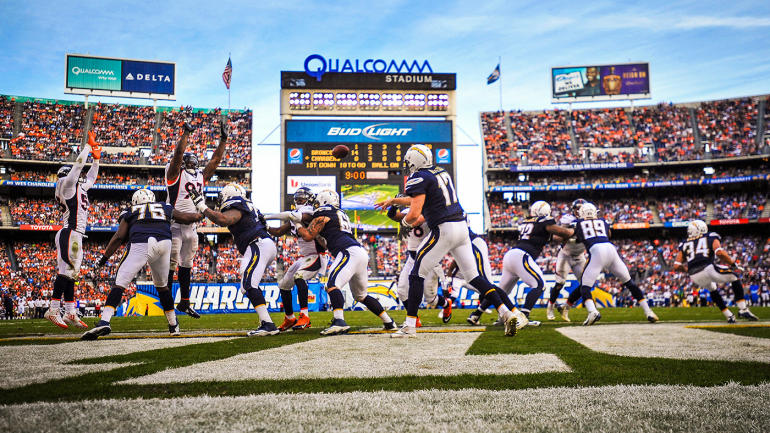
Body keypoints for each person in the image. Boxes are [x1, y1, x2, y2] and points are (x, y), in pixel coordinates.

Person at [375, 144, 526, 338]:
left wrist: (404, 222)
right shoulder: (440, 172)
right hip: (462, 228)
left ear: (414, 160)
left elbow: (414, 213)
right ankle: (506, 313)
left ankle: (410, 326)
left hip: (444, 229)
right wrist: (394, 201)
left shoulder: (418, 177)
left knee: (416, 273)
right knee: (474, 277)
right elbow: (420, 198)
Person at [82, 189, 202, 340]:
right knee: (162, 287)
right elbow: (186, 218)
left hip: (141, 242)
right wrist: (202, 211)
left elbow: (119, 236)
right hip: (164, 243)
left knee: (120, 282)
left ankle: (104, 320)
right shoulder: (164, 206)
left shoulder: (131, 210)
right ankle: (173, 325)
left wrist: (104, 259)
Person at [294, 189, 397, 336]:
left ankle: (339, 321)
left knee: (332, 285)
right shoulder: (339, 214)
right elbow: (325, 241)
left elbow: (308, 236)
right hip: (358, 252)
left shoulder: (324, 212)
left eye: (317, 202)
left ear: (324, 201)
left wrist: (297, 223)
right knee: (361, 296)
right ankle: (389, 321)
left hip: (348, 252)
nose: (315, 206)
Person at [191, 183, 281, 336]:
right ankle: (265, 321)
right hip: (257, 245)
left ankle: (268, 324)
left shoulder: (237, 204)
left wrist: (202, 206)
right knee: (246, 285)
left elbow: (224, 220)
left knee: (249, 283)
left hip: (257, 244)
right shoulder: (250, 207)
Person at [165, 120, 228, 319]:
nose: (192, 165)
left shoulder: (200, 176)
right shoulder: (175, 173)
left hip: (192, 228)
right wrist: (186, 134)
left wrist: (223, 140)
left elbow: (216, 161)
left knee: (187, 264)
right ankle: (166, 305)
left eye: (194, 163)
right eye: (189, 162)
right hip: (175, 224)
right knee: (171, 264)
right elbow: (177, 156)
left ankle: (185, 303)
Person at [45, 131, 101, 330]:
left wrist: (96, 160)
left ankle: (69, 311)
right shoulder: (66, 185)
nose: (77, 177)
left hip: (75, 233)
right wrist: (87, 147)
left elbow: (92, 178)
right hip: (70, 232)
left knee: (72, 274)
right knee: (66, 271)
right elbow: (77, 168)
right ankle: (53, 309)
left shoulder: (78, 188)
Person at [569, 202, 659, 325]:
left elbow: (576, 237)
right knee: (630, 283)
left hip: (596, 251)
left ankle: (592, 311)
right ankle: (648, 311)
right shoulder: (603, 222)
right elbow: (608, 234)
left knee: (584, 286)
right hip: (611, 249)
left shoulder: (578, 223)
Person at [498, 201, 575, 326]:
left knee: (501, 290)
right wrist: (575, 230)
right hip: (522, 256)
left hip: (511, 254)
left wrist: (569, 237)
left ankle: (478, 314)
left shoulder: (527, 221)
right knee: (539, 285)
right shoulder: (544, 222)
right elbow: (563, 232)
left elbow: (554, 238)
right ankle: (523, 316)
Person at [263, 187, 328, 331]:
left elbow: (295, 216)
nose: (299, 201)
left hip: (318, 255)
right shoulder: (296, 217)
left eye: (302, 199)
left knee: (299, 276)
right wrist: (265, 226)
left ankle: (304, 316)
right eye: (297, 199)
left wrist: (266, 216)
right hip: (305, 257)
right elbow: (278, 232)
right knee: (284, 285)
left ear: (309, 200)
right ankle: (290, 318)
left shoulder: (310, 213)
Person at [672, 220, 759, 323]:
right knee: (734, 276)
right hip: (708, 269)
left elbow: (676, 266)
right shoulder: (711, 236)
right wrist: (733, 264)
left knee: (712, 289)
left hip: (694, 275)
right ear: (702, 228)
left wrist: (687, 269)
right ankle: (743, 309)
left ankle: (729, 315)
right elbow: (720, 253)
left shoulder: (684, 243)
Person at [385, 199, 451, 324]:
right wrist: (394, 206)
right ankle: (414, 318)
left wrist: (405, 221)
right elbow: (393, 216)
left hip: (428, 258)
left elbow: (417, 220)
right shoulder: (410, 211)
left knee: (430, 299)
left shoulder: (429, 210)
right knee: (402, 291)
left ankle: (446, 304)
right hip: (412, 258)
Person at [548, 199, 588, 322]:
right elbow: (556, 237)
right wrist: (569, 233)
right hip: (566, 254)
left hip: (580, 255)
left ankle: (566, 307)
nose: (578, 211)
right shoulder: (568, 219)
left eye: (580, 208)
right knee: (559, 284)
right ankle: (550, 307)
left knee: (586, 284)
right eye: (576, 208)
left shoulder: (590, 221)